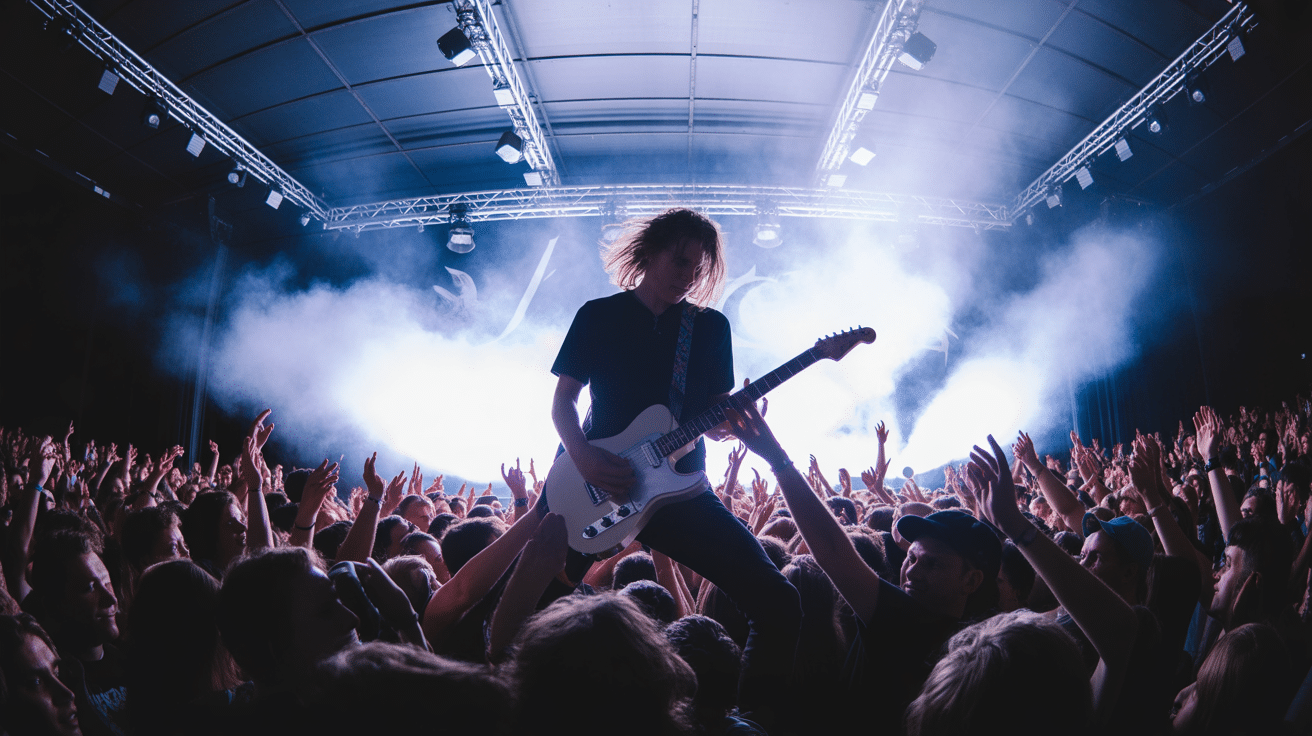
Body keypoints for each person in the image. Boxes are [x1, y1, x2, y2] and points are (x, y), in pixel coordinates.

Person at [546, 208, 800, 726]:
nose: (688, 274)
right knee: (551, 607)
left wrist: (731, 423)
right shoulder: (598, 315)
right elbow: (563, 403)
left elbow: (711, 422)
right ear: (648, 253)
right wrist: (583, 453)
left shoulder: (709, 328)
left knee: (779, 602)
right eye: (680, 259)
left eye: (698, 266)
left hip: (680, 489)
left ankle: (748, 724)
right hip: (599, 480)